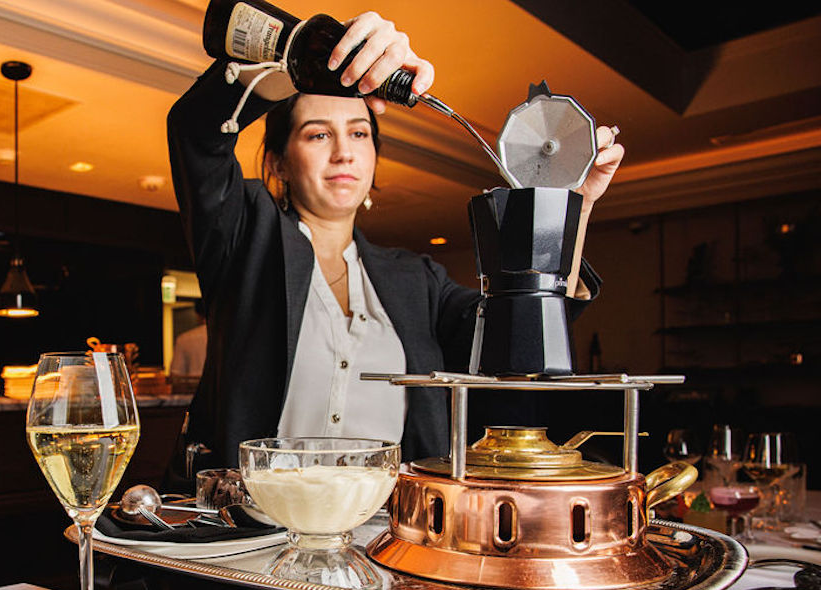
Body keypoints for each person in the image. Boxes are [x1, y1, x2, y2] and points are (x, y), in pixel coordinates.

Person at [167, 11, 623, 469]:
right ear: (280, 163)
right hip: (253, 509)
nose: (344, 152)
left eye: (359, 133)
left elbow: (517, 330)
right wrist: (304, 59)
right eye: (318, 134)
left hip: (388, 512)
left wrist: (572, 206)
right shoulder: (245, 235)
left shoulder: (417, 280)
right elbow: (196, 131)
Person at [170, 298, 208, 391]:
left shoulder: (184, 339)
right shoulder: (227, 338)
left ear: (197, 315)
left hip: (191, 396)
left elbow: (176, 377)